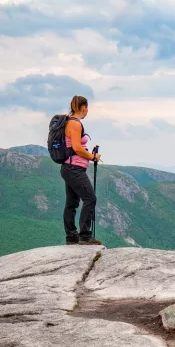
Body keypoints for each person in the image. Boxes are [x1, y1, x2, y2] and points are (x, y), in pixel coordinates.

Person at [60, 95, 103, 246]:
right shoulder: (75, 124)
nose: (87, 112)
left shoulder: (68, 121)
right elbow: (77, 147)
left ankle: (71, 236)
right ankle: (85, 235)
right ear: (83, 108)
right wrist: (92, 156)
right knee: (90, 198)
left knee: (72, 202)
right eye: (87, 108)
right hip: (74, 168)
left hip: (69, 167)